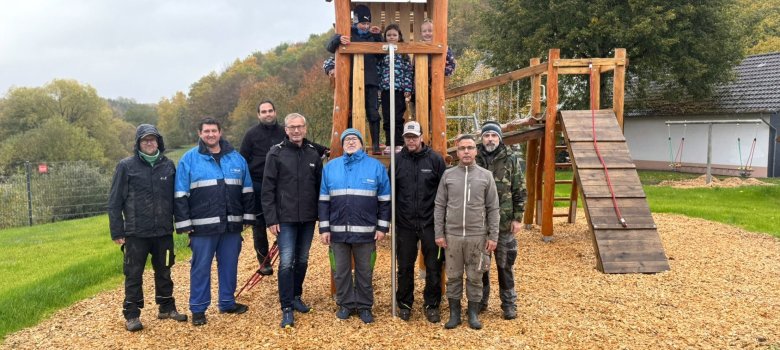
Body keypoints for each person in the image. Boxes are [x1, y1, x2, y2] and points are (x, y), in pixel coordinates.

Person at [174, 118, 255, 326]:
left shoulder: (236, 159)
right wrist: (185, 224)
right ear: (200, 134)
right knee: (200, 268)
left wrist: (247, 217)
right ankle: (198, 309)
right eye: (206, 131)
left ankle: (227, 302)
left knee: (229, 265)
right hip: (202, 227)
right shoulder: (189, 159)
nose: (210, 134)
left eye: (214, 131)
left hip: (231, 225)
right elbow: (180, 193)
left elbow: (247, 190)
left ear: (220, 132)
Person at [108, 124, 187, 332]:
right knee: (133, 274)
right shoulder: (126, 166)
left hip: (163, 231)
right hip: (136, 233)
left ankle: (166, 307)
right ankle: (132, 314)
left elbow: (177, 198)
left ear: (159, 142)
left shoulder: (168, 165)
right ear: (138, 143)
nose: (149, 143)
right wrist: (117, 231)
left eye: (153, 139)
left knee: (165, 270)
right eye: (145, 140)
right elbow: (114, 201)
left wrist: (182, 224)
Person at [318, 128, 391, 324]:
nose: (350, 142)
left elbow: (385, 200)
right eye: (347, 140)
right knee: (340, 271)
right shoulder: (330, 168)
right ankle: (346, 304)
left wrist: (382, 227)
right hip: (337, 232)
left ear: (361, 143)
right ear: (342, 145)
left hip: (366, 232)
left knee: (365, 272)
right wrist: (324, 228)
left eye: (354, 139)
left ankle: (365, 306)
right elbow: (323, 201)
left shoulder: (376, 167)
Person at [261, 113, 323, 328]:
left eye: (299, 127)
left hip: (307, 217)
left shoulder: (313, 154)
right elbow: (267, 189)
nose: (296, 130)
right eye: (292, 127)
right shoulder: (276, 153)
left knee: (302, 259)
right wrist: (271, 219)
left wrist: (321, 216)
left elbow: (320, 187)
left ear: (305, 128)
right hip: (284, 218)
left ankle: (296, 296)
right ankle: (286, 306)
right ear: (286, 130)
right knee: (286, 262)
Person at [434, 134, 500, 330]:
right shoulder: (448, 175)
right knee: (453, 276)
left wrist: (493, 236)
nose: (466, 151)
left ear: (476, 151)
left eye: (470, 148)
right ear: (457, 152)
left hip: (477, 235)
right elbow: (439, 205)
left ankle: (473, 313)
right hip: (452, 236)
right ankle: (454, 314)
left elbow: (493, 208)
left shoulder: (485, 176)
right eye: (462, 148)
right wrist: (439, 233)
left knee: (475, 276)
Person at [393, 121, 446, 323]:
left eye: (414, 137)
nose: (411, 141)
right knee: (405, 266)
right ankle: (405, 303)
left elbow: (444, 191)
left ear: (422, 137)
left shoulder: (435, 160)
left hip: (430, 223)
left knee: (433, 266)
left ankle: (432, 304)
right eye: (408, 137)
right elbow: (391, 191)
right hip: (405, 223)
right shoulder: (397, 160)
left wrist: (443, 221)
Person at [476, 121, 526, 320]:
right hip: (479, 223)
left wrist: (517, 218)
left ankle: (508, 304)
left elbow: (519, 189)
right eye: (487, 135)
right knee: (481, 266)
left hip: (504, 223)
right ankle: (480, 301)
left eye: (494, 136)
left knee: (505, 266)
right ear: (482, 138)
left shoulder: (511, 159)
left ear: (500, 138)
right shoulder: (474, 158)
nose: (490, 139)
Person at [326, 5, 384, 154]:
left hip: (371, 81)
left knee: (373, 113)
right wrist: (338, 39)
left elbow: (381, 56)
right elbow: (330, 47)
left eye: (368, 23)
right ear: (356, 21)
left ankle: (376, 145)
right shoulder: (347, 33)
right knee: (351, 112)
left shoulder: (372, 36)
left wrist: (379, 36)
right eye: (363, 23)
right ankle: (350, 144)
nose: (366, 26)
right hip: (351, 82)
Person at [240, 100, 285, 276]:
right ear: (258, 115)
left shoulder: (284, 132)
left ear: (275, 112)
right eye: (264, 112)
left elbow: (303, 143)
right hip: (258, 184)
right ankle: (264, 262)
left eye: (270, 110)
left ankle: (286, 256)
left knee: (283, 220)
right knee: (259, 225)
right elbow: (242, 160)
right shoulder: (251, 134)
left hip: (281, 185)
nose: (268, 114)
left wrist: (324, 150)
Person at [378, 23, 414, 155]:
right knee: (387, 117)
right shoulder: (382, 54)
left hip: (399, 90)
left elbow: (408, 73)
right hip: (386, 90)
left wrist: (407, 88)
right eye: (389, 35)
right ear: (385, 37)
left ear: (399, 37)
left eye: (394, 35)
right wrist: (378, 88)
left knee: (398, 117)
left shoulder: (403, 54)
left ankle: (398, 143)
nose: (391, 37)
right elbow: (378, 71)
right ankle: (389, 143)